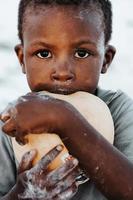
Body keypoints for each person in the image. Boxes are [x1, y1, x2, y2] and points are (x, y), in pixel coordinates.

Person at [0, 0, 133, 199]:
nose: (62, 73)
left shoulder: (119, 110)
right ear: (22, 59)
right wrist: (22, 194)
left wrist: (64, 120)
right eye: (44, 53)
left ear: (106, 59)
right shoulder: (12, 124)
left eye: (81, 53)